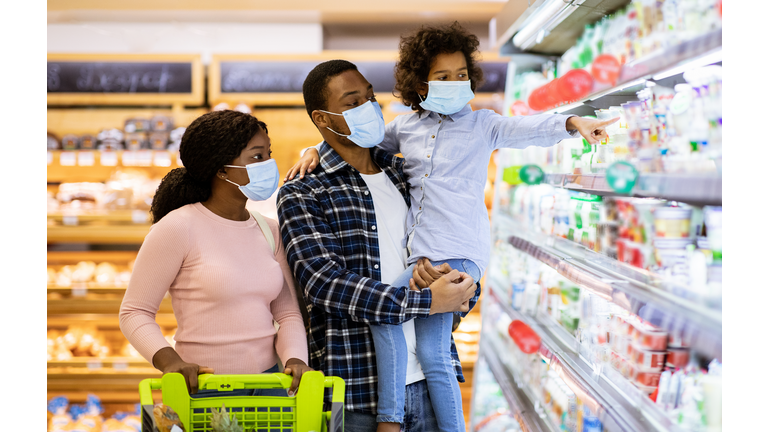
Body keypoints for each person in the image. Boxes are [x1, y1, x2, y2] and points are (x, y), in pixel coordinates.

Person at [285, 22, 617, 432]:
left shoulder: (473, 130)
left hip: (458, 257)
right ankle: (390, 418)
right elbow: (355, 152)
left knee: (434, 352)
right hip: (370, 366)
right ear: (420, 84)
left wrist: (573, 123)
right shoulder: (396, 141)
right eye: (443, 77)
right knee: (411, 334)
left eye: (462, 75)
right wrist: (311, 149)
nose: (455, 83)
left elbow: (525, 128)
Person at [277, 59, 479, 432]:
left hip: (431, 381)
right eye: (352, 102)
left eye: (370, 97)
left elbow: (448, 236)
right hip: (359, 391)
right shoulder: (303, 191)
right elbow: (325, 284)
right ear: (322, 118)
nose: (369, 108)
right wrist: (428, 301)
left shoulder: (404, 171)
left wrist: (462, 291)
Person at [119, 110, 311, 398]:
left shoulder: (269, 229)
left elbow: (287, 313)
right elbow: (134, 312)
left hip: (270, 387)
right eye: (257, 157)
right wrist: (169, 361)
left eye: (268, 155)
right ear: (221, 169)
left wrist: (296, 359)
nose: (268, 165)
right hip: (203, 389)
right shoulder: (177, 227)